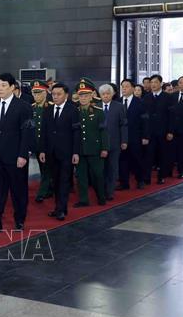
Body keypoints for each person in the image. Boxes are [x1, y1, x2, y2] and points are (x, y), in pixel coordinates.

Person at [0, 73, 33, 233]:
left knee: (18, 190)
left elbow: (27, 132)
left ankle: (19, 220)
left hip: (15, 156)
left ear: (12, 87)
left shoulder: (24, 106)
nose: (0, 88)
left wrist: (23, 154)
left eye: (4, 85)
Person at [39, 83, 80, 221]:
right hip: (51, 152)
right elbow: (43, 132)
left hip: (67, 153)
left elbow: (76, 133)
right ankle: (59, 208)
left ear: (66, 95)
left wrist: (75, 152)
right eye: (54, 94)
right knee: (55, 181)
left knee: (63, 182)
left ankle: (61, 209)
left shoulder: (73, 110)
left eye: (59, 94)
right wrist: (42, 150)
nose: (55, 97)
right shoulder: (48, 110)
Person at [74, 79, 108, 207]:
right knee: (81, 176)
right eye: (81, 95)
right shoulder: (75, 111)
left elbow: (104, 131)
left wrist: (105, 148)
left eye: (86, 95)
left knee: (97, 175)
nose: (83, 98)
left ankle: (101, 197)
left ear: (91, 96)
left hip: (95, 148)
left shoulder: (98, 111)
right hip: (80, 149)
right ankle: (83, 200)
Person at [117, 79, 149, 189]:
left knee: (137, 159)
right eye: (122, 86)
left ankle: (140, 180)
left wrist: (145, 136)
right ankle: (124, 183)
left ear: (132, 88)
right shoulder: (117, 102)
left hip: (135, 136)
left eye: (126, 86)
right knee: (122, 161)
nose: (124, 89)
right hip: (121, 137)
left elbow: (145, 121)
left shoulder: (140, 102)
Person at [99, 84, 128, 200]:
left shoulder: (119, 107)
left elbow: (123, 125)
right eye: (103, 94)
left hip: (115, 143)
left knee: (112, 168)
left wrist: (124, 140)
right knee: (101, 169)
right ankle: (101, 190)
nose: (105, 96)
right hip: (99, 144)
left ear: (112, 94)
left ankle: (109, 192)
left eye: (108, 94)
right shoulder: (95, 106)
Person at [142, 75, 172, 185]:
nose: (153, 84)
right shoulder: (146, 97)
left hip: (163, 131)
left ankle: (161, 176)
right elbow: (144, 117)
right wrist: (144, 134)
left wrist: (170, 131)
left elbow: (171, 116)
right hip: (150, 132)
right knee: (148, 155)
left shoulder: (168, 97)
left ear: (160, 83)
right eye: (151, 82)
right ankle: (147, 177)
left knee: (163, 154)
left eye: (155, 82)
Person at [30, 80, 53, 203]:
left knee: (47, 169)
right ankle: (49, 189)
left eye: (39, 93)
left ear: (45, 93)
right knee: (43, 168)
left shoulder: (50, 107)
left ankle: (42, 192)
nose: (36, 96)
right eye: (34, 93)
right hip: (37, 144)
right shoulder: (32, 108)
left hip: (49, 145)